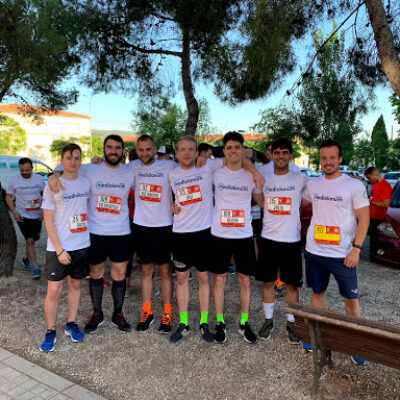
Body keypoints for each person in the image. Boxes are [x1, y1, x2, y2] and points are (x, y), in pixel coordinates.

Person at [49, 135, 136, 333]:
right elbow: (61, 167)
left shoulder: (130, 172)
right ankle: (97, 313)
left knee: (119, 275)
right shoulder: (90, 168)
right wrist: (53, 176)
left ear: (123, 151)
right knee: (96, 274)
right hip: (95, 232)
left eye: (117, 148)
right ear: (103, 149)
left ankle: (118, 313)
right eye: (109, 147)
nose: (113, 151)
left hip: (121, 232)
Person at [302, 139, 370, 365]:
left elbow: (364, 218)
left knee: (350, 300)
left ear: (340, 159)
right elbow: (297, 200)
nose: (327, 162)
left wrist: (356, 249)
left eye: (332, 158)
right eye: (323, 158)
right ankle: (317, 336)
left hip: (343, 255)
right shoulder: (313, 184)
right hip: (314, 252)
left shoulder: (354, 185)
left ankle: (356, 343)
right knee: (317, 294)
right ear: (319, 160)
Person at [168, 135, 223, 343]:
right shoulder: (171, 173)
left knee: (203, 278)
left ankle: (203, 322)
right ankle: (183, 323)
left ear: (196, 151)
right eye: (182, 149)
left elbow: (238, 156)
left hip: (204, 233)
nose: (187, 153)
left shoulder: (207, 166)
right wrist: (172, 207)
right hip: (181, 234)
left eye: (191, 149)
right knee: (182, 279)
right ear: (177, 152)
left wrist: (254, 169)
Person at [254, 138, 307, 345]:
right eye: (277, 152)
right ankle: (268, 321)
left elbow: (305, 200)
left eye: (285, 152)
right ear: (272, 155)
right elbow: (259, 199)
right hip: (268, 238)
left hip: (291, 240)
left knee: (292, 285)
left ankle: (291, 323)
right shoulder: (264, 176)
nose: (281, 156)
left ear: (291, 155)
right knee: (267, 282)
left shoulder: (300, 178)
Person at [40, 144, 90, 352]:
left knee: (76, 286)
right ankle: (51, 330)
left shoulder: (86, 182)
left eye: (77, 158)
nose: (73, 161)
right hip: (58, 248)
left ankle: (71, 323)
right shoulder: (53, 185)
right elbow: (48, 222)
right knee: (54, 290)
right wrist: (60, 250)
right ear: (62, 159)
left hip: (81, 245)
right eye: (69, 157)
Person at [211, 131, 259, 344]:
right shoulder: (216, 172)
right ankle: (219, 322)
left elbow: (261, 200)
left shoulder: (250, 175)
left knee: (245, 280)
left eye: (237, 147)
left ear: (243, 150)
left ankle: (244, 322)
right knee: (219, 279)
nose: (233, 151)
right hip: (220, 235)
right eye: (229, 147)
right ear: (224, 151)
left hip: (244, 235)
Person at [130, 135, 176, 333]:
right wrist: (56, 174)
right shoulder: (132, 167)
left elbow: (193, 170)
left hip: (165, 226)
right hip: (142, 226)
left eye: (148, 149)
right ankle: (146, 312)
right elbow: (104, 171)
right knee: (146, 271)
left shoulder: (169, 166)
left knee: (165, 272)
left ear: (155, 149)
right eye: (141, 150)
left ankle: (167, 314)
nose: (145, 153)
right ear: (136, 150)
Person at [6, 157, 45, 279]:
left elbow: (46, 195)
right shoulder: (15, 180)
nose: (25, 173)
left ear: (32, 168)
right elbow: (8, 197)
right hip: (22, 215)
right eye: (22, 170)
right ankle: (36, 268)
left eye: (27, 170)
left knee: (32, 240)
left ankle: (26, 259)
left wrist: (44, 210)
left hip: (37, 215)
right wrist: (14, 211)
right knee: (30, 241)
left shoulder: (39, 179)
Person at [364, 166, 392, 261]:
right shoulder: (375, 184)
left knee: (376, 241)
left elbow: (385, 204)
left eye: (369, 178)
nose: (369, 180)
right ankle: (372, 259)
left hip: (379, 218)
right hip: (372, 216)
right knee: (372, 240)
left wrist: (370, 202)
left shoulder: (385, 185)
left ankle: (376, 259)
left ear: (376, 174)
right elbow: (375, 198)